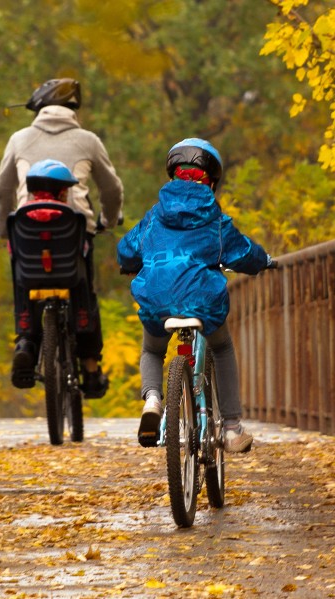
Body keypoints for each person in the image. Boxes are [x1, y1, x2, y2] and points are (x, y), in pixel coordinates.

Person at [116, 138, 274, 453]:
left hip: (157, 301)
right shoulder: (215, 219)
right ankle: (231, 428)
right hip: (202, 302)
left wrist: (130, 263)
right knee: (223, 348)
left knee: (152, 350)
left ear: (172, 174)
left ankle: (152, 400)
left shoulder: (154, 216)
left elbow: (126, 250)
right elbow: (243, 252)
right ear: (211, 181)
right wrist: (265, 261)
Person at [0, 78, 124, 398]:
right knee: (83, 292)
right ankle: (90, 370)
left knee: (24, 280)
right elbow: (112, 189)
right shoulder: (88, 140)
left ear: (38, 108)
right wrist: (106, 219)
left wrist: (2, 227)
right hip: (75, 230)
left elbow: (2, 190)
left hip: (27, 229)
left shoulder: (19, 139)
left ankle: (25, 340)